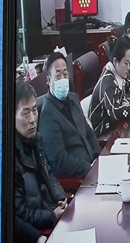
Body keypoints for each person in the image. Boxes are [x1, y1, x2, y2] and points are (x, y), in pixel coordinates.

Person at [12, 79, 68, 243]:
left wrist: (61, 198)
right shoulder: (9, 157)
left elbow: (49, 175)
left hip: (52, 217)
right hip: (40, 233)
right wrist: (51, 216)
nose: (32, 119)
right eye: (25, 113)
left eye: (34, 110)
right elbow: (19, 213)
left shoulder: (36, 140)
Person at [37, 50, 99, 178]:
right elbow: (59, 161)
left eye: (65, 74)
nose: (63, 79)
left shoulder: (73, 98)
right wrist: (88, 168)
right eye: (58, 75)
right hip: (78, 177)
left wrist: (98, 157)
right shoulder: (48, 114)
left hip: (93, 168)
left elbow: (88, 132)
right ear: (49, 80)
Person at [87, 34, 130, 138]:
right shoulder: (108, 81)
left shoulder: (119, 73)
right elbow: (115, 112)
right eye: (126, 63)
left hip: (115, 125)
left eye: (129, 63)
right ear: (115, 61)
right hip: (101, 133)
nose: (128, 67)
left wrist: (126, 102)